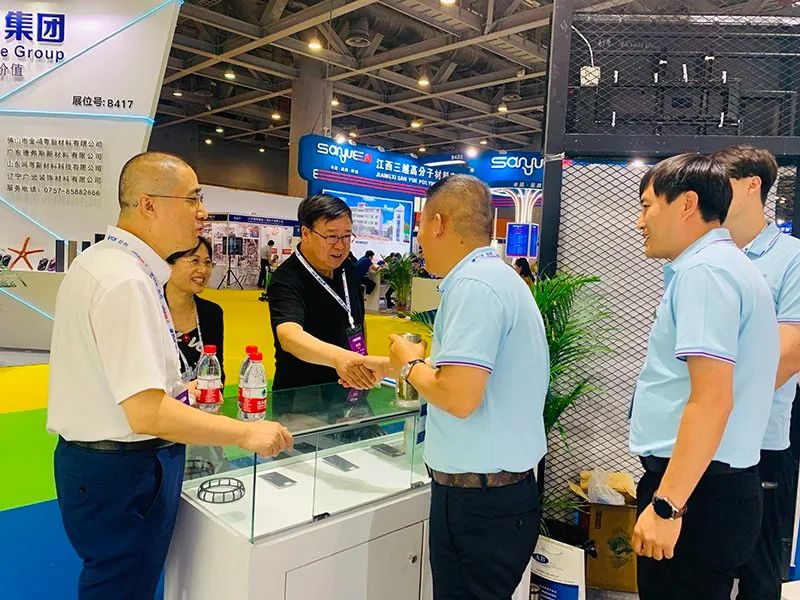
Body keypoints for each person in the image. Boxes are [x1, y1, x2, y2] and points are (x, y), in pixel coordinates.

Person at [46, 151, 293, 600]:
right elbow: (146, 412)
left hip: (106, 465)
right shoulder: (125, 281)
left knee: (121, 581)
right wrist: (244, 433)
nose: (202, 212)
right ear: (148, 205)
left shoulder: (107, 264)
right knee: (123, 586)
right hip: (124, 468)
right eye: (192, 199)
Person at [388, 175, 549, 599]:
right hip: (502, 496)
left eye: (421, 226)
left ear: (438, 223)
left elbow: (459, 397)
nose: (420, 239)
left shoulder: (474, 286)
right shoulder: (500, 279)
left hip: (477, 505)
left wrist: (409, 366)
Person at [629, 153, 779, 599]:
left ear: (687, 204)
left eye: (647, 206)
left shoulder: (705, 273)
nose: (639, 222)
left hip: (696, 493)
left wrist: (667, 506)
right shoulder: (725, 266)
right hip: (710, 485)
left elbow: (712, 399)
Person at [713, 145, 800, 600]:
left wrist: (717, 404)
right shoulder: (706, 254)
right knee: (698, 564)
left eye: (720, 181)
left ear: (752, 186)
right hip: (699, 441)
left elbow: (788, 354)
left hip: (759, 441)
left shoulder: (791, 258)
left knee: (759, 572)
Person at [267, 193, 382, 392]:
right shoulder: (287, 278)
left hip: (350, 384)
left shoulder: (347, 268)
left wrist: (360, 361)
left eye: (346, 236)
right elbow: (289, 336)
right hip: (304, 393)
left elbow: (356, 320)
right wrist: (339, 358)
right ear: (306, 234)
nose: (340, 245)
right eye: (331, 236)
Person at [165, 236, 225, 383]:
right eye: (195, 261)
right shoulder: (149, 309)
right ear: (170, 264)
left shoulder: (212, 313)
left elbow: (217, 370)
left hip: (202, 397)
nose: (203, 270)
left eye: (207, 262)